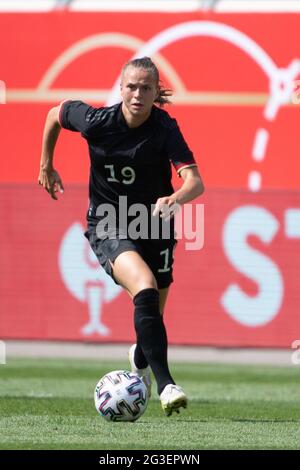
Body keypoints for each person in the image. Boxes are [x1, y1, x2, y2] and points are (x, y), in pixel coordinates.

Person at [38, 56, 204, 416]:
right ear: (121, 88)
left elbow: (195, 182)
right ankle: (166, 385)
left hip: (154, 226)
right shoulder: (97, 121)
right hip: (108, 222)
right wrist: (46, 165)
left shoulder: (164, 129)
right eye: (131, 86)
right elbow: (55, 114)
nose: (137, 94)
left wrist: (176, 198)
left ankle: (140, 357)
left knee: (152, 315)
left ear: (156, 91)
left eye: (146, 88)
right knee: (143, 286)